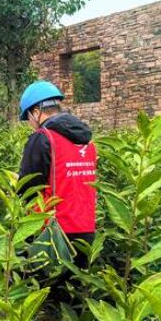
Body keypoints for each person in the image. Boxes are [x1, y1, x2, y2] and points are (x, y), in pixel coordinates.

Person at [18, 80, 97, 273]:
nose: (30, 123)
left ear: (36, 111)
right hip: (86, 232)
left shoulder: (43, 138)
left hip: (53, 235)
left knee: (46, 295)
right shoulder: (88, 142)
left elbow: (27, 188)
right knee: (75, 293)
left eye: (28, 116)